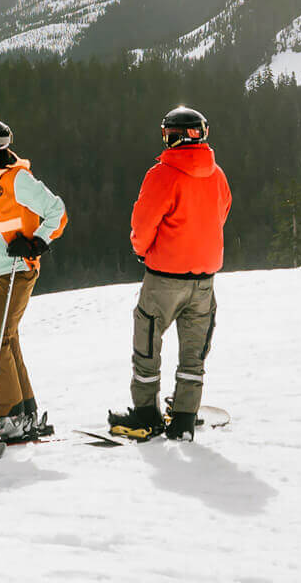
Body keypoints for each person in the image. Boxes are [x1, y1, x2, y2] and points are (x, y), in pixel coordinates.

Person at [108, 105, 232, 442]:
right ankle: (184, 420)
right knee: (194, 354)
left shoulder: (162, 174)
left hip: (165, 277)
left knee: (148, 345)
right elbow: (221, 213)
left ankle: (146, 415)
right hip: (204, 280)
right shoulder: (216, 174)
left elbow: (143, 223)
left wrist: (142, 250)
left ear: (173, 136)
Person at [0, 116, 67, 443]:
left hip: (17, 271)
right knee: (7, 340)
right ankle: (26, 413)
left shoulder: (18, 179)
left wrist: (37, 243)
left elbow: (57, 211)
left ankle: (6, 416)